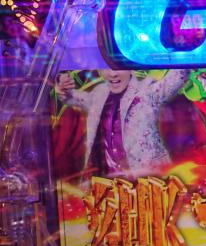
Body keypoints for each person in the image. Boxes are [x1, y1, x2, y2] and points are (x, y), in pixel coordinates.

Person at [55, 69, 189, 175]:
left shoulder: (146, 91)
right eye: (106, 68)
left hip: (147, 181)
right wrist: (61, 85)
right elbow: (69, 96)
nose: (113, 74)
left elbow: (179, 76)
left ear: (130, 68)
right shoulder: (99, 94)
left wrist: (181, 45)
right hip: (108, 184)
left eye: (118, 67)